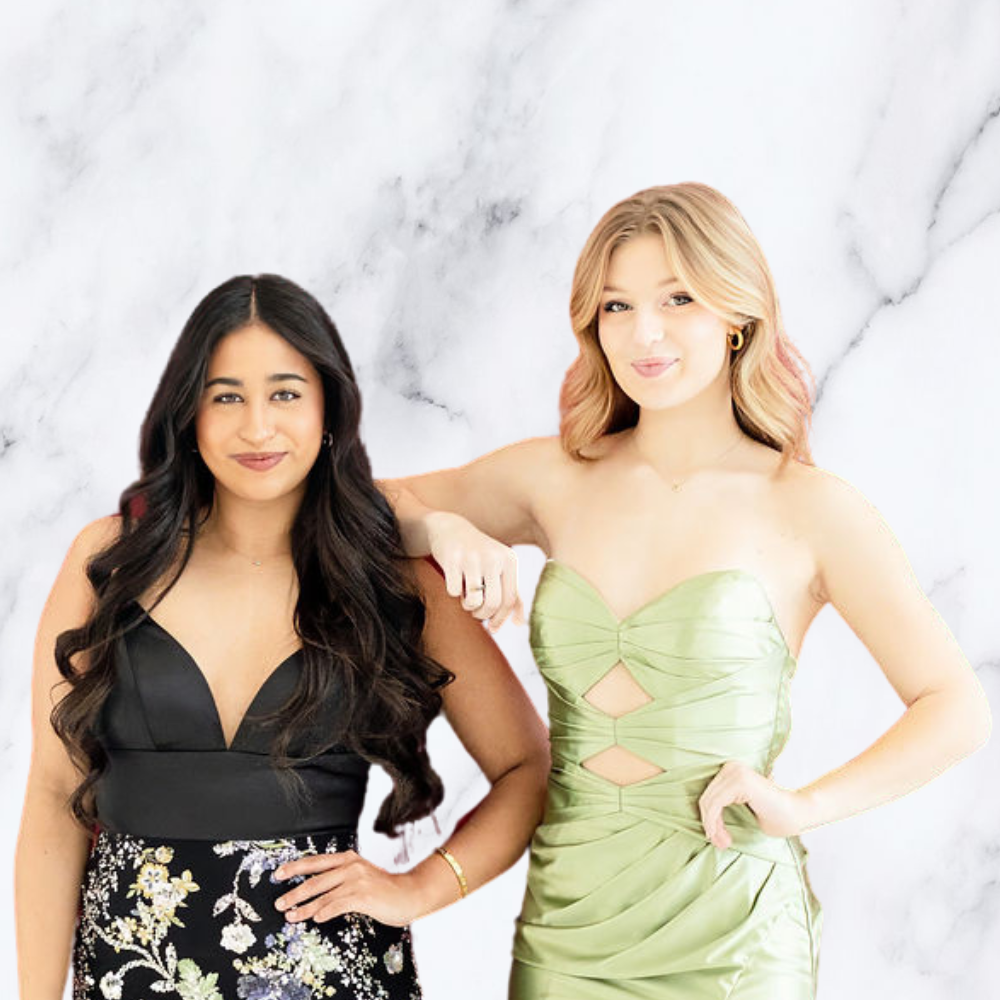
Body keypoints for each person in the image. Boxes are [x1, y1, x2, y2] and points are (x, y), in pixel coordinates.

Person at [381, 183, 992, 999]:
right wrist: (441, 530)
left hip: (733, 929)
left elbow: (953, 704)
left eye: (679, 298)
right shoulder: (554, 476)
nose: (646, 333)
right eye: (617, 306)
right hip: (571, 917)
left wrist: (804, 806)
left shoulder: (808, 506)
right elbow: (354, 503)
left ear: (737, 315)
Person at [15, 274, 550, 1000]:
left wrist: (422, 888)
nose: (257, 427)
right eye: (226, 395)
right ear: (190, 415)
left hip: (331, 978)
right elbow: (53, 795)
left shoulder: (391, 578)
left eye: (286, 394)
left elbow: (527, 765)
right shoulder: (109, 562)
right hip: (128, 978)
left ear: (328, 408)